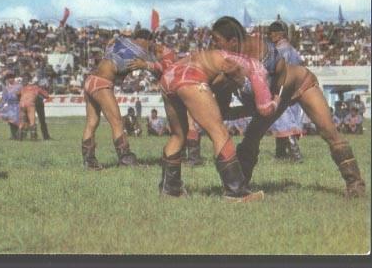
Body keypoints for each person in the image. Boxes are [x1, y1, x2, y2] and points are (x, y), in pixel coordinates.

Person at [209, 16, 366, 198]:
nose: (213, 46)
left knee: (328, 131)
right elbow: (223, 111)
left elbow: (281, 75)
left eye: (217, 41)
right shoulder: (222, 68)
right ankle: (238, 189)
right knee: (250, 139)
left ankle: (355, 184)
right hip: (270, 101)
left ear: (233, 41)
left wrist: (274, 100)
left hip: (300, 84)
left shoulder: (261, 50)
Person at [154, 48, 277, 202]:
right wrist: (274, 102)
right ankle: (236, 193)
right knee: (220, 133)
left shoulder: (211, 55)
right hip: (191, 77)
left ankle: (170, 191)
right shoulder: (246, 63)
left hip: (169, 77)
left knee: (178, 135)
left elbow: (222, 104)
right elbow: (265, 110)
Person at [81, 29, 156, 170]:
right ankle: (126, 159)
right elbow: (156, 67)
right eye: (150, 42)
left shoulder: (120, 40)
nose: (150, 45)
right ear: (146, 40)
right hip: (102, 83)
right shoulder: (142, 52)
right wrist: (147, 65)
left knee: (91, 123)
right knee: (117, 122)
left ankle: (89, 161)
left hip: (90, 80)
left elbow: (111, 41)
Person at [267, 20, 304, 162]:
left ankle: (296, 155)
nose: (270, 36)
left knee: (283, 121)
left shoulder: (279, 51)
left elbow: (275, 71)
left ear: (279, 34)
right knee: (281, 121)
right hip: (293, 88)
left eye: (272, 33)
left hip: (282, 89)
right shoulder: (292, 50)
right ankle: (281, 154)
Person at [18, 74, 50, 140]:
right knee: (32, 121)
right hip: (31, 103)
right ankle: (33, 137)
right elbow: (47, 96)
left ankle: (20, 137)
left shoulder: (23, 88)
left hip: (22, 103)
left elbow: (17, 94)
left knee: (22, 121)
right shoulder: (36, 87)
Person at [0, 73, 22, 140]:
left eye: (11, 78)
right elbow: (4, 98)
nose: (10, 79)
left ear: (14, 78)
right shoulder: (6, 88)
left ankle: (19, 135)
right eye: (8, 78)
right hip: (10, 106)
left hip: (18, 105)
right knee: (11, 122)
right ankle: (13, 135)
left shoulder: (19, 86)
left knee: (18, 122)